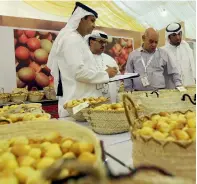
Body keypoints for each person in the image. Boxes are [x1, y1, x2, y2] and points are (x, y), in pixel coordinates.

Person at [47, 2, 118, 118]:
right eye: (92, 20)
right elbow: (79, 73)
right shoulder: (71, 40)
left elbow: (84, 68)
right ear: (81, 19)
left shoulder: (77, 40)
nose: (94, 25)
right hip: (77, 106)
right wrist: (105, 74)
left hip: (83, 105)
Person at [85, 30, 120, 99]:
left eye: (105, 42)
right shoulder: (83, 59)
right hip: (91, 101)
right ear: (91, 42)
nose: (104, 45)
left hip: (109, 102)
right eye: (101, 42)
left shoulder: (109, 59)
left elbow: (117, 80)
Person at [162, 22, 196, 87]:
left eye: (179, 34)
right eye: (174, 35)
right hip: (173, 88)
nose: (178, 37)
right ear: (169, 37)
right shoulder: (164, 51)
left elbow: (193, 66)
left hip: (189, 85)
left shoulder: (186, 47)